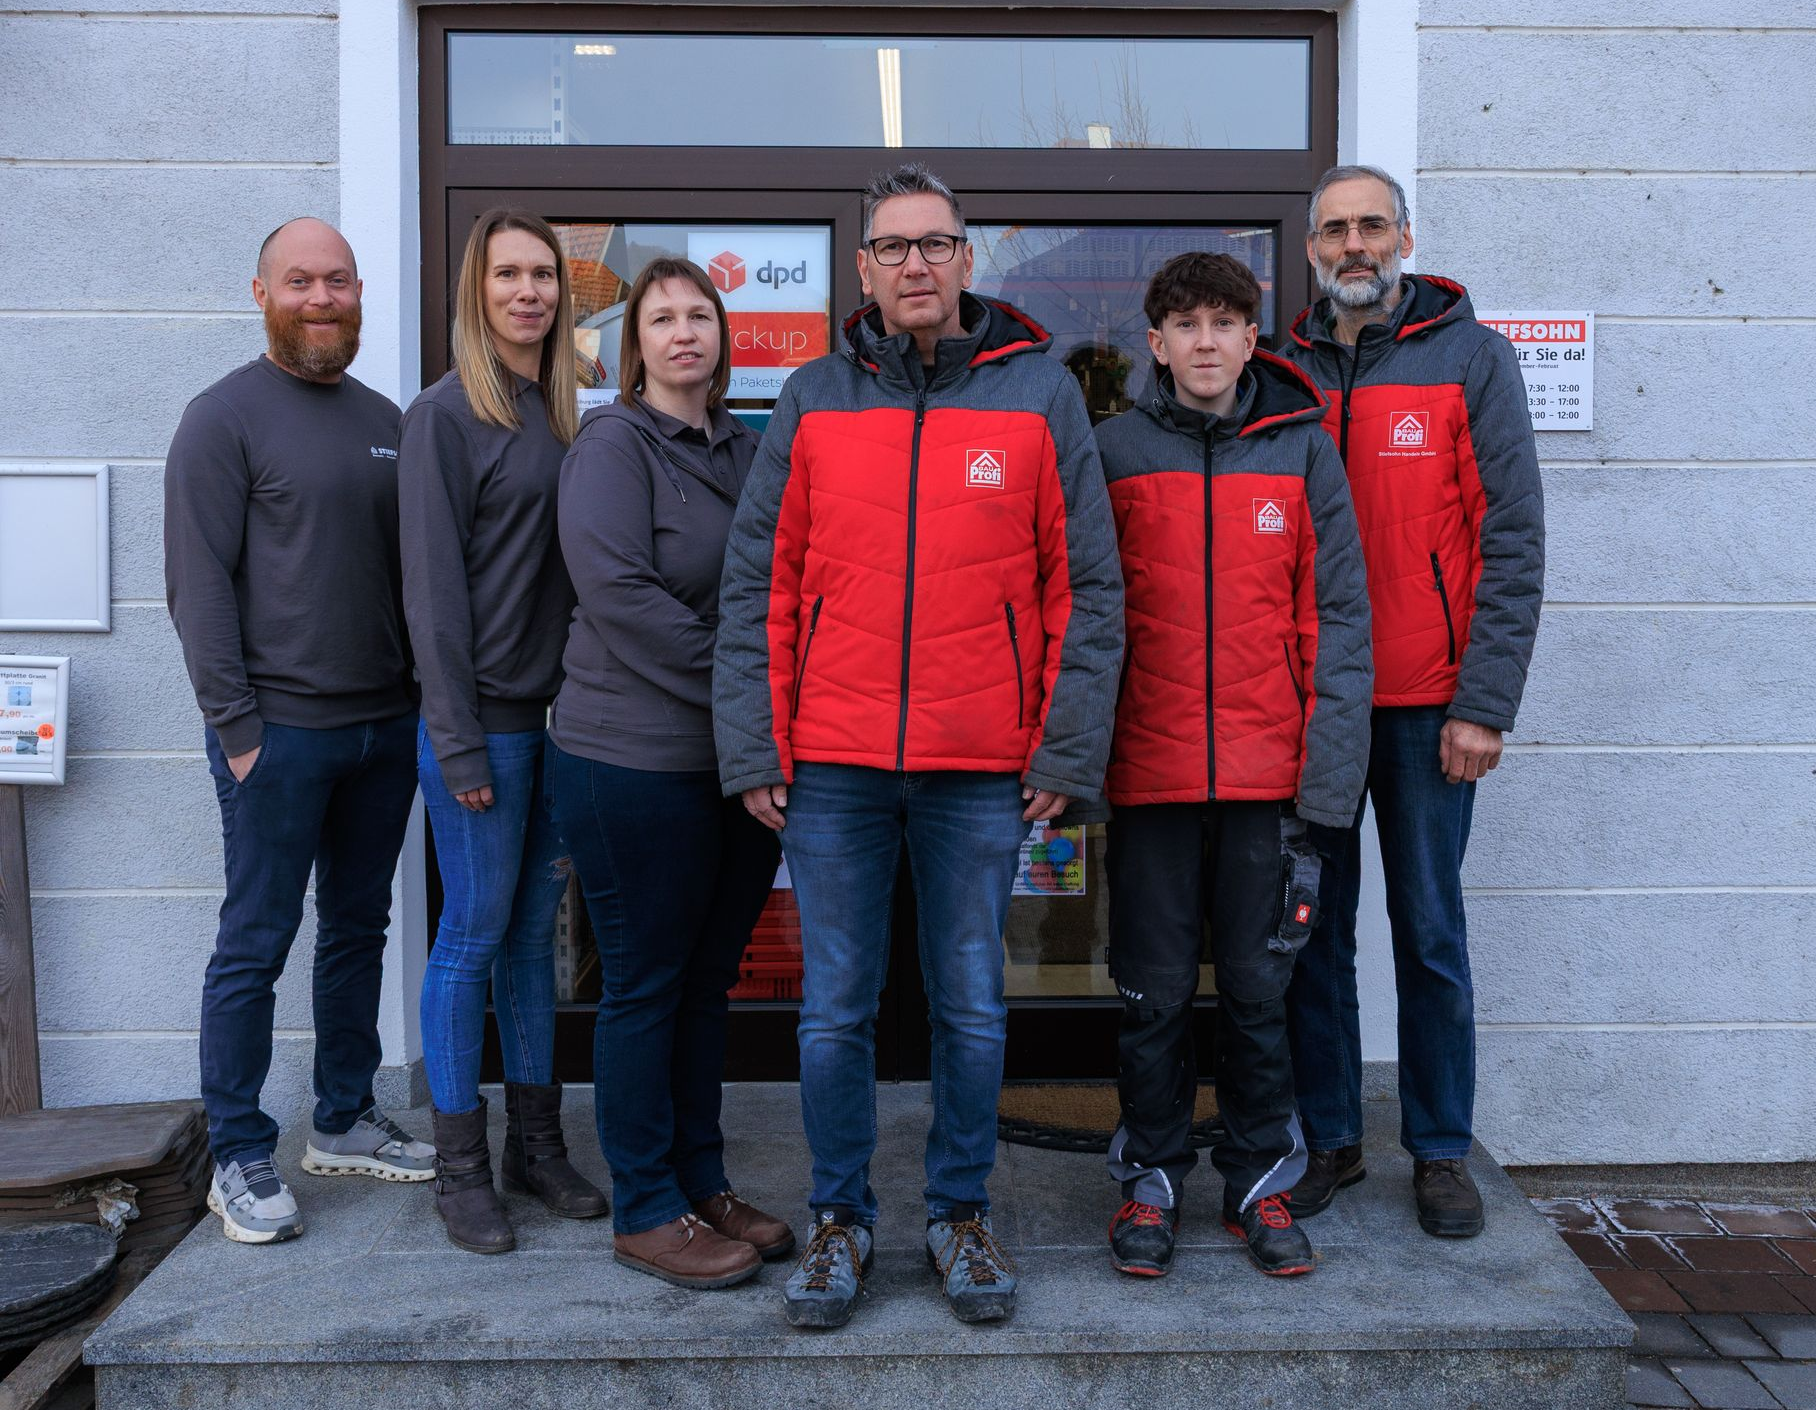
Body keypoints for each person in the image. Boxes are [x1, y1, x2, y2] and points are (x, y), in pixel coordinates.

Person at [715, 162, 1124, 1331]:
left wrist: (1064, 749)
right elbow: (760, 582)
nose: (915, 264)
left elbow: (1085, 588)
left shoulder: (1038, 393)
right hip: (833, 763)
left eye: (934, 243)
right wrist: (754, 742)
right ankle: (841, 1218)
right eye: (892, 247)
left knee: (973, 1009)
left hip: (982, 763)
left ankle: (960, 1212)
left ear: (966, 257)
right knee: (833, 1011)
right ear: (863, 267)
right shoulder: (812, 395)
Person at [1278, 165, 1545, 1240]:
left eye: (1373, 226)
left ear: (1405, 238)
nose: (1356, 245)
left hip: (1433, 707)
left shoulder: (1471, 358)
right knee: (1312, 934)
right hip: (1314, 709)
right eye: (1336, 229)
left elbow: (1513, 540)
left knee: (1429, 930)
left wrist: (1485, 703)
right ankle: (1331, 1139)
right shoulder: (1282, 369)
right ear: (1312, 248)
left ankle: (1438, 1148)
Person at [1096, 251, 1372, 1282]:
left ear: (1254, 338)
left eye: (1225, 322)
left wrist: (1328, 782)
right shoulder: (1113, 452)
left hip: (1270, 781)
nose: (1206, 341)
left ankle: (1260, 1180)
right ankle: (1150, 1179)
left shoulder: (1303, 451)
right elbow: (1087, 613)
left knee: (1261, 994)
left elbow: (1339, 621)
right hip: (1151, 775)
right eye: (1187, 324)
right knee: (1153, 995)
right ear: (1156, 343)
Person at [164, 217, 433, 1247]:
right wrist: (238, 729)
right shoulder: (221, 417)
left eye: (339, 281)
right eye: (301, 281)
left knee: (359, 928)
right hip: (276, 734)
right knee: (256, 939)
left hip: (382, 728)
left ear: (359, 292)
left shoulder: (385, 420)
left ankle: (344, 1115)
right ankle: (237, 1150)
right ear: (262, 292)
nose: (322, 298)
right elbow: (197, 586)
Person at [546, 256, 786, 1289]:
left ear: (724, 336)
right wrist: (749, 689)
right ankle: (645, 1204)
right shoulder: (612, 447)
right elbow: (623, 598)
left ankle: (702, 1181)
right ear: (633, 343)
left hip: (732, 764)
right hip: (630, 761)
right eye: (661, 318)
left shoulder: (747, 447)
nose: (684, 332)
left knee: (705, 981)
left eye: (700, 315)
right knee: (646, 984)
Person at [400, 208, 608, 1254]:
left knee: (532, 937)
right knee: (473, 935)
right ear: (476, 292)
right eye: (506, 273)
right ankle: (460, 1169)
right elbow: (432, 596)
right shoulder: (445, 416)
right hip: (481, 726)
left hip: (560, 724)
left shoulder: (566, 413)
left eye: (542, 274)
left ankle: (537, 1145)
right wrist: (457, 738)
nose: (528, 291)